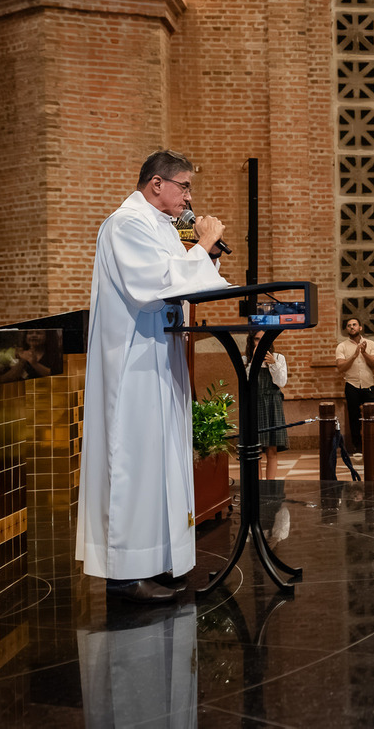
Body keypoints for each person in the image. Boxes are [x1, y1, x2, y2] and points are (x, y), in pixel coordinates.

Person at [76, 149, 231, 604]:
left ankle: (158, 559)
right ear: (156, 183)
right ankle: (125, 574)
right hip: (134, 366)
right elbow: (153, 284)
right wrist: (203, 244)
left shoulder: (162, 225)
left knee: (162, 463)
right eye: (184, 186)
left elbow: (184, 278)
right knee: (135, 462)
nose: (189, 197)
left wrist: (206, 252)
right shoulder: (125, 224)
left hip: (161, 359)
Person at [244, 330, 288, 480]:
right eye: (257, 339)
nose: (260, 343)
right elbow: (246, 383)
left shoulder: (279, 358)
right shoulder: (245, 360)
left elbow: (281, 382)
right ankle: (258, 485)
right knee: (255, 449)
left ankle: (270, 484)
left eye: (264, 339)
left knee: (272, 450)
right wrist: (254, 361)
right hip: (254, 403)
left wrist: (273, 364)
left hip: (272, 404)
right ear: (251, 341)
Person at [335, 318, 374, 455]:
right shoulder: (342, 346)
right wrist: (354, 355)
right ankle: (357, 447)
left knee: (373, 416)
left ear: (360, 327)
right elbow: (341, 367)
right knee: (354, 418)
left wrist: (364, 352)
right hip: (352, 385)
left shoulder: (370, 343)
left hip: (369, 385)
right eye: (349, 325)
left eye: (354, 325)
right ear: (347, 329)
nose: (351, 327)